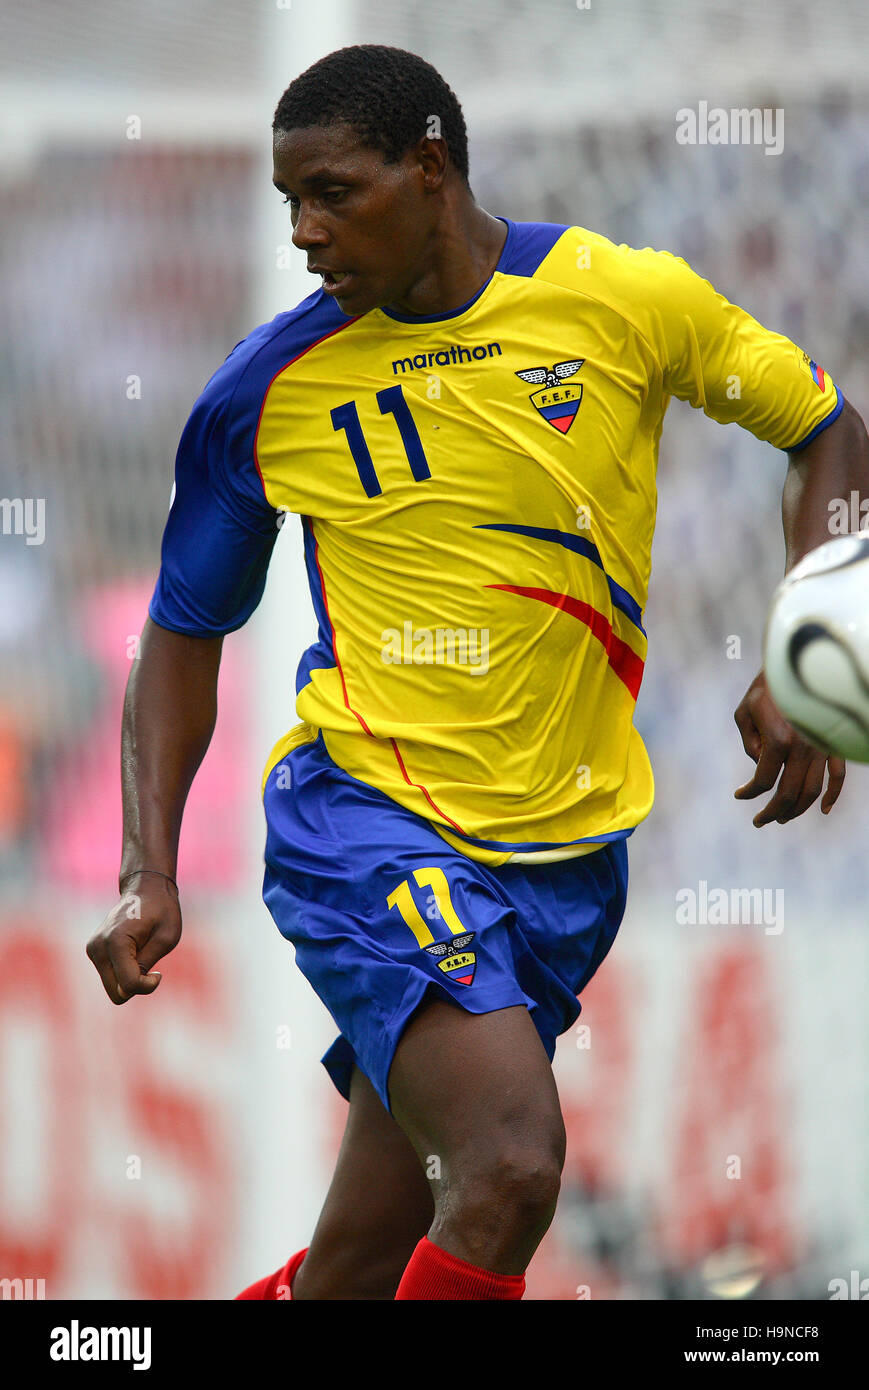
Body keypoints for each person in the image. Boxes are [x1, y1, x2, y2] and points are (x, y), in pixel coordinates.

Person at [86, 44, 867, 1301]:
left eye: (333, 192)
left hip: (564, 856)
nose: (302, 231)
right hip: (367, 825)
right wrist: (147, 870)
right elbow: (183, 629)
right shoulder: (262, 393)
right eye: (290, 199)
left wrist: (804, 630)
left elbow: (824, 426)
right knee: (509, 1166)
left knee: (364, 1257)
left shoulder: (619, 300)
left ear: (431, 166)